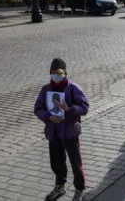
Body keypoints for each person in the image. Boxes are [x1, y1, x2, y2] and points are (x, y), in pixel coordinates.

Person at [34, 58, 89, 201]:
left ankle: (79, 188)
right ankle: (60, 186)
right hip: (54, 132)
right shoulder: (46, 89)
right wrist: (48, 117)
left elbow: (84, 107)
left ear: (65, 73)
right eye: (53, 72)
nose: (56, 75)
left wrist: (69, 109)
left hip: (69, 131)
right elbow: (38, 108)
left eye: (59, 72)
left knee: (75, 162)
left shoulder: (72, 88)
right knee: (56, 161)